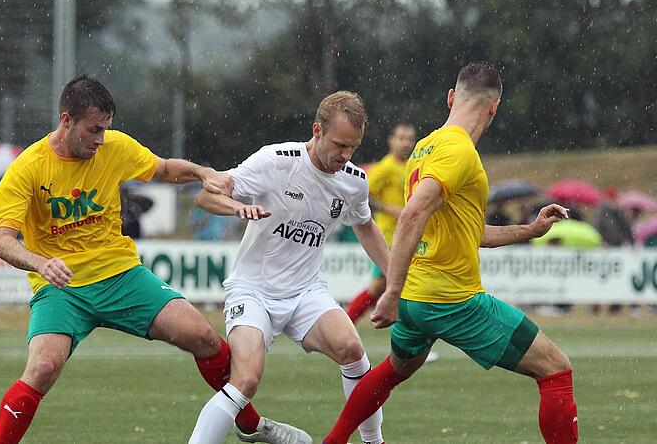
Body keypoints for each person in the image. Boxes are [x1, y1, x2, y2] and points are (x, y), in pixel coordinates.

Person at [0, 76, 308, 444]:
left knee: (204, 337)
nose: (101, 140)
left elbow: (164, 169)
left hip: (121, 276)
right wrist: (41, 263)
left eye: (105, 130)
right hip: (62, 287)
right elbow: (2, 242)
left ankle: (250, 425)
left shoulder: (113, 147)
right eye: (93, 130)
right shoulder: (28, 168)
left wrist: (203, 173)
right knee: (42, 367)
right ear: (66, 120)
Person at [322, 63, 579, 444]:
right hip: (451, 300)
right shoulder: (459, 150)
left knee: (394, 370)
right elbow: (412, 215)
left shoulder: (425, 146)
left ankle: (333, 441)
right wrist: (390, 291)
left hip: (417, 299)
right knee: (556, 370)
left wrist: (530, 229)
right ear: (494, 108)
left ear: (451, 98)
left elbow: (469, 233)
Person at [189, 91, 390, 444]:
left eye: (353, 148)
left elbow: (365, 226)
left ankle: (374, 442)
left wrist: (397, 279)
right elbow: (206, 196)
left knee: (353, 351)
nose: (346, 156)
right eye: (340, 145)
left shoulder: (354, 181)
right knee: (246, 380)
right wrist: (237, 208)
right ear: (316, 130)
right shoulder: (276, 161)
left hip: (307, 291)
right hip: (254, 289)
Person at [344, 122, 416, 323]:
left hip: (407, 235)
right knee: (385, 287)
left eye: (410, 139)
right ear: (391, 141)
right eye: (401, 138)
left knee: (391, 287)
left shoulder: (411, 166)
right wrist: (389, 209)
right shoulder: (385, 167)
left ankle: (346, 325)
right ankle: (346, 324)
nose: (406, 143)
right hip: (389, 236)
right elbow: (364, 194)